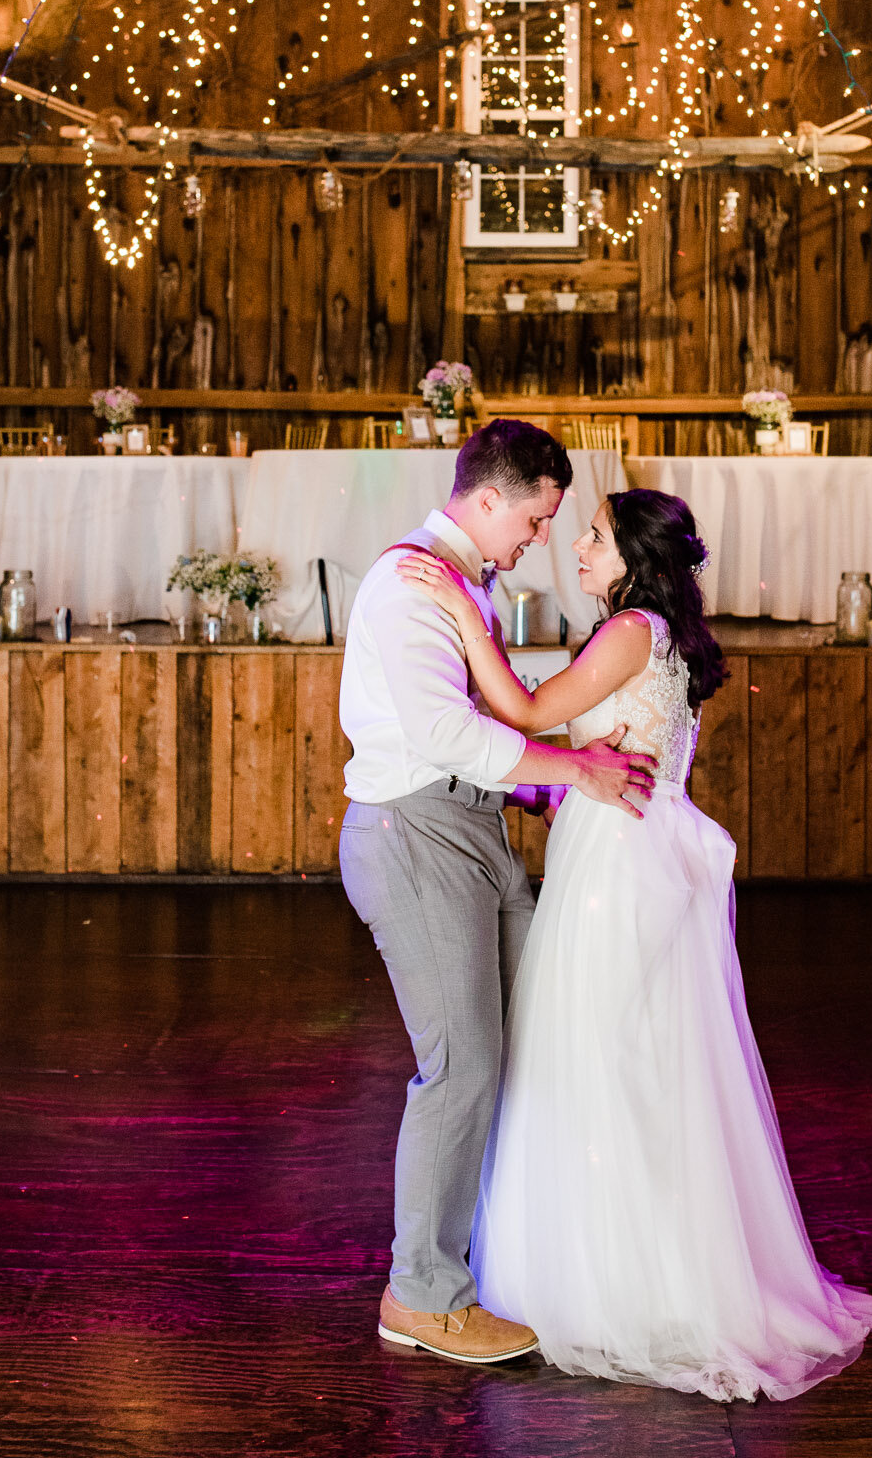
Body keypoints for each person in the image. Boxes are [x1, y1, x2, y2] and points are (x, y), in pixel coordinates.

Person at [397, 487, 872, 1401]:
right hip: (631, 850)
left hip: (613, 875)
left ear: (633, 557)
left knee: (593, 1060)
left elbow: (523, 713)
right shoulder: (652, 635)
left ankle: (610, 1285)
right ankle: (654, 1268)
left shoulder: (627, 630)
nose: (576, 548)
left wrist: (464, 627)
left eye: (591, 537)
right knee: (635, 1063)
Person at [338, 420, 660, 1367]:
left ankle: (510, 1255)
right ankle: (422, 1295)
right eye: (537, 518)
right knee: (463, 1066)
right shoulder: (408, 585)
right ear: (489, 500)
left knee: (531, 1038)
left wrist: (532, 790)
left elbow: (482, 721)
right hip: (415, 831)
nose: (540, 540)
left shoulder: (467, 582)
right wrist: (572, 773)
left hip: (470, 827)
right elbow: (442, 732)